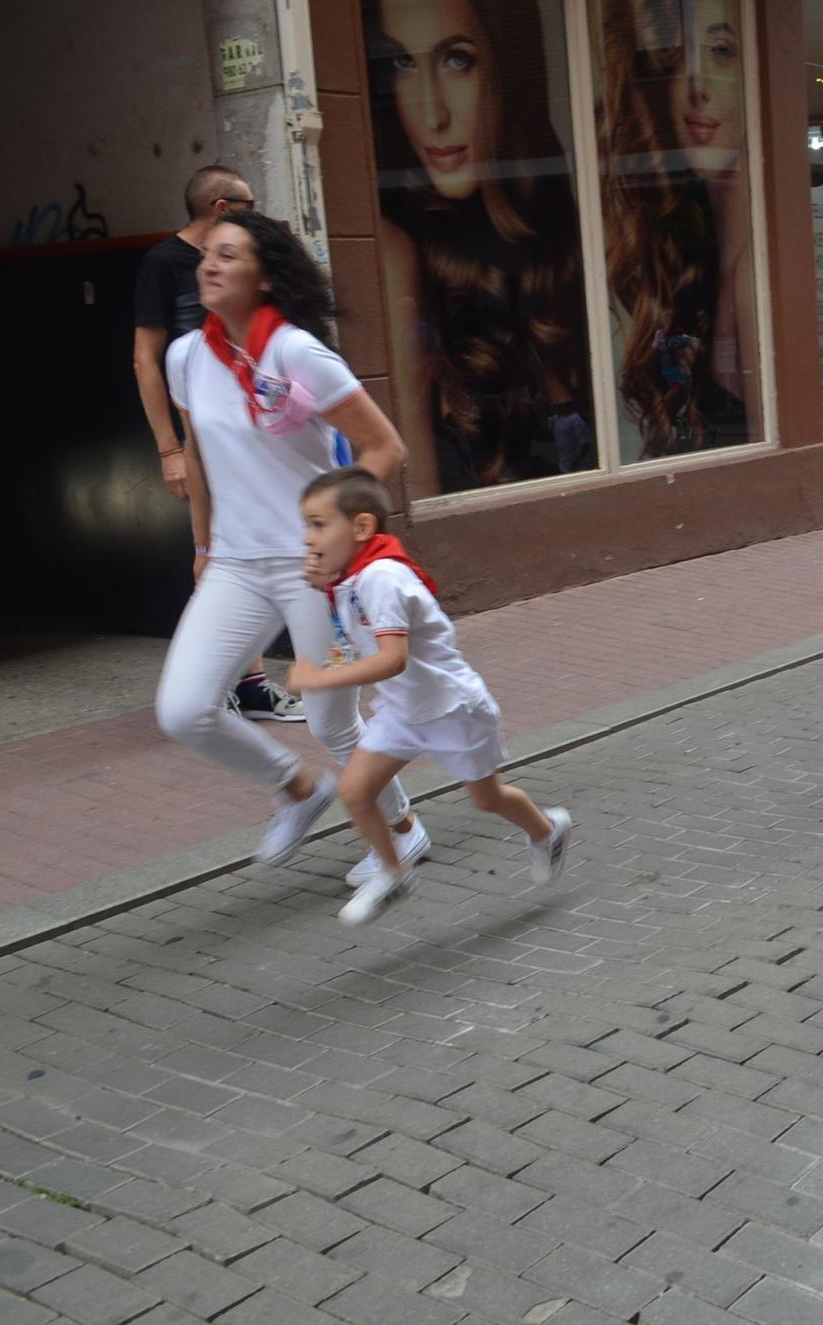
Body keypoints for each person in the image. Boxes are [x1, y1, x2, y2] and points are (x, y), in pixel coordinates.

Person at [155, 210, 431, 889]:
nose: (209, 265)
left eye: (228, 255)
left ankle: (403, 829)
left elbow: (384, 447)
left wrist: (345, 542)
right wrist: (201, 542)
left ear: (266, 275)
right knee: (184, 709)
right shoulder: (187, 357)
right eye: (206, 255)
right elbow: (199, 452)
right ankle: (297, 788)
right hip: (235, 563)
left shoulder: (297, 354)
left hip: (313, 569)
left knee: (335, 719)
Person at [290, 467, 573, 924]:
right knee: (355, 791)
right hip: (403, 712)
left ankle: (547, 829)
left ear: (362, 527)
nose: (307, 538)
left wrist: (318, 679)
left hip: (453, 709)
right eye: (305, 525)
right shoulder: (353, 576)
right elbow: (354, 634)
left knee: (487, 797)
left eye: (318, 524)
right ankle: (394, 872)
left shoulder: (382, 577)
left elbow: (392, 659)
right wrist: (324, 586)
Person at [365, 0, 594, 489]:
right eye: (403, 62)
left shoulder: (555, 229)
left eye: (457, 60)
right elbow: (416, 486)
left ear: (506, 66)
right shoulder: (396, 254)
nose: (432, 112)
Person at [134, 165, 302, 724]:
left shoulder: (253, 269)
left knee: (237, 545)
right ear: (224, 207)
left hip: (251, 418)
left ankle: (247, 684)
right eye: (250, 202)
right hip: (202, 423)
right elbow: (145, 358)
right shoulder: (164, 264)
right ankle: (232, 683)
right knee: (212, 551)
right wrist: (170, 449)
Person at [595, 0, 757, 459]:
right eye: (677, 56)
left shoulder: (750, 274)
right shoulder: (689, 259)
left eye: (721, 51)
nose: (697, 87)